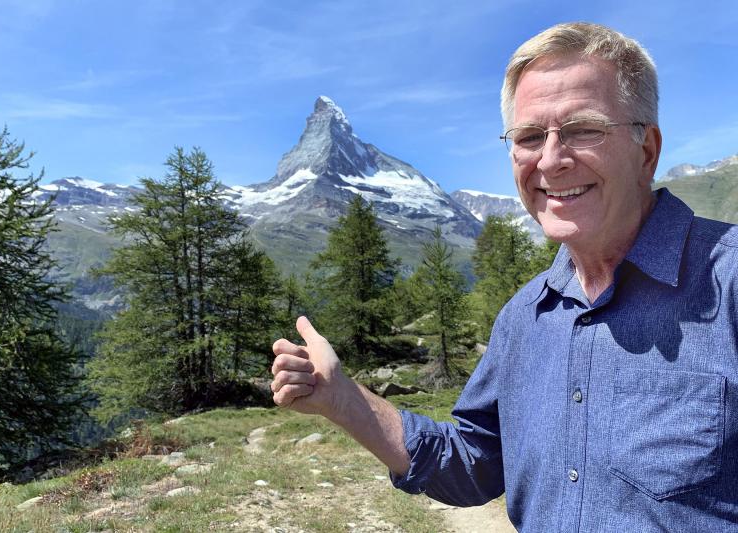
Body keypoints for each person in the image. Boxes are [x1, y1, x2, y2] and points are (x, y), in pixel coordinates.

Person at [270, 22, 738, 531]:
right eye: (530, 137)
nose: (553, 160)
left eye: (584, 129)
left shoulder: (727, 280)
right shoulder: (524, 318)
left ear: (647, 149)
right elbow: (474, 463)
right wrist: (343, 400)